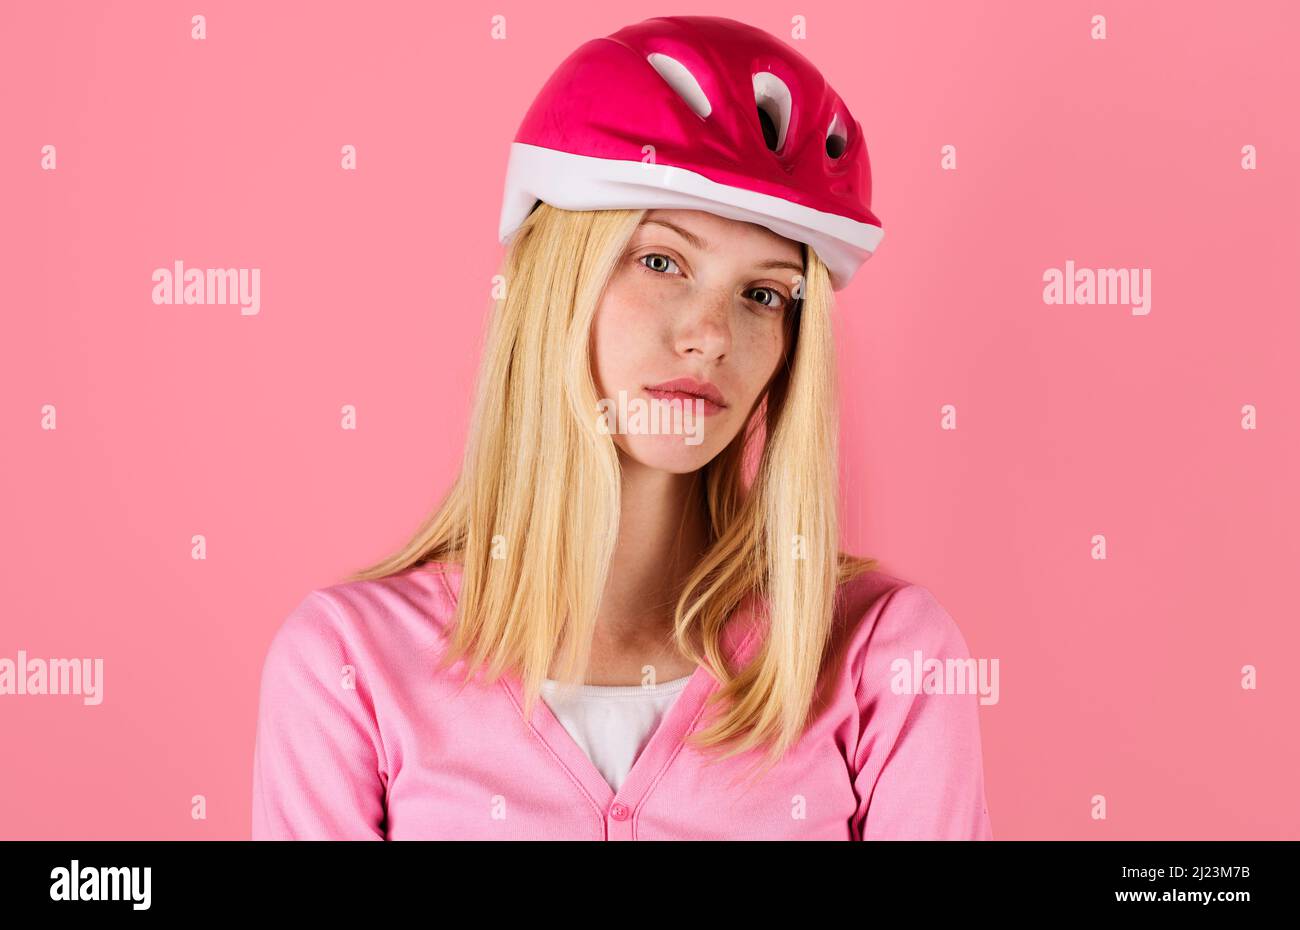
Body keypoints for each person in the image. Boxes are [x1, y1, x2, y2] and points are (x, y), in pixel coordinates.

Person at [251, 14, 993, 840]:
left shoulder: (885, 655)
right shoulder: (347, 666)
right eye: (662, 261)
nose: (711, 336)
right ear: (557, 282)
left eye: (763, 294)